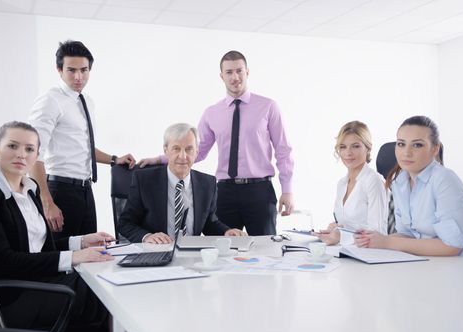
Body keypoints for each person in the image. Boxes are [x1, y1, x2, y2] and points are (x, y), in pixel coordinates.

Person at [0, 121, 114, 332]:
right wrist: (72, 258)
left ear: (36, 155)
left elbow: (38, 248)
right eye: (13, 146)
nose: (21, 154)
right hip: (8, 299)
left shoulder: (30, 188)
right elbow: (1, 261)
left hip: (38, 284)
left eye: (29, 149)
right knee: (104, 290)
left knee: (102, 282)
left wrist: (80, 242)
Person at [139, 50, 294, 235]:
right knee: (221, 248)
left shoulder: (268, 107)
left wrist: (288, 190)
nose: (235, 77)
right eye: (229, 72)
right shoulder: (212, 113)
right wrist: (159, 159)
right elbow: (197, 151)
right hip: (224, 192)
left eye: (239, 71)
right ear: (222, 76)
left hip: (259, 191)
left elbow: (283, 151)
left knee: (264, 251)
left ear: (247, 72)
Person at [29, 40, 136, 239]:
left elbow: (84, 147)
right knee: (63, 259)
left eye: (84, 70)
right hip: (60, 190)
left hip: (85, 190)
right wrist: (46, 201)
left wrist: (114, 159)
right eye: (71, 70)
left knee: (88, 255)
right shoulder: (50, 101)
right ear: (59, 70)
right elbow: (33, 154)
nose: (79, 77)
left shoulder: (86, 101)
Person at [355, 116, 463, 256]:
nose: (406, 152)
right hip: (423, 264)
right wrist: (372, 240)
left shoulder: (445, 180)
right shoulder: (400, 182)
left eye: (417, 145)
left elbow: (451, 245)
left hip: (455, 267)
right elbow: (407, 234)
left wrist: (387, 242)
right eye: (401, 144)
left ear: (435, 149)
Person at [120, 123, 247, 244]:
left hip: (191, 255)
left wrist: (226, 232)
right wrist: (147, 237)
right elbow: (125, 223)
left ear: (197, 152)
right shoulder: (144, 180)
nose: (183, 156)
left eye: (189, 149)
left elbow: (209, 223)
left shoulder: (208, 184)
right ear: (166, 150)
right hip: (156, 252)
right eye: (176, 149)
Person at [315, 121, 388, 246]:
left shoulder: (373, 181)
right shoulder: (342, 184)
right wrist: (335, 229)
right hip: (345, 252)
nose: (348, 153)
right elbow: (350, 225)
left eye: (355, 146)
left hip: (367, 256)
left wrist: (340, 236)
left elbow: (378, 233)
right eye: (343, 147)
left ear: (368, 148)